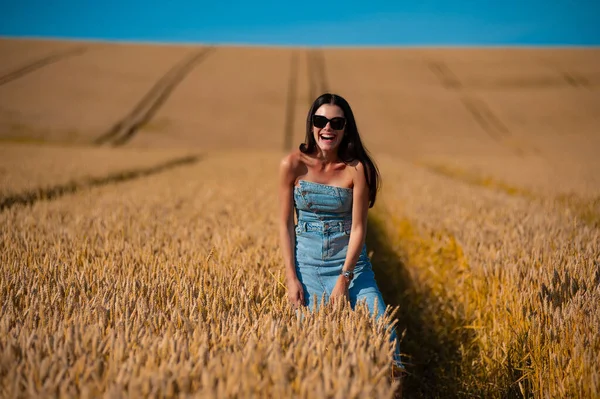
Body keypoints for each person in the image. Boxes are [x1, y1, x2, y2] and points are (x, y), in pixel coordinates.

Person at [278, 93, 405, 383]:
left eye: (337, 122)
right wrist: (291, 278)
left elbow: (359, 227)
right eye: (321, 121)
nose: (328, 128)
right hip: (307, 267)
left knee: (385, 338)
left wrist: (344, 280)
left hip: (352, 268)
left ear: (346, 128)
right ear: (311, 125)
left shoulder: (357, 169)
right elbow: (285, 223)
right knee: (311, 350)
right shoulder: (292, 165)